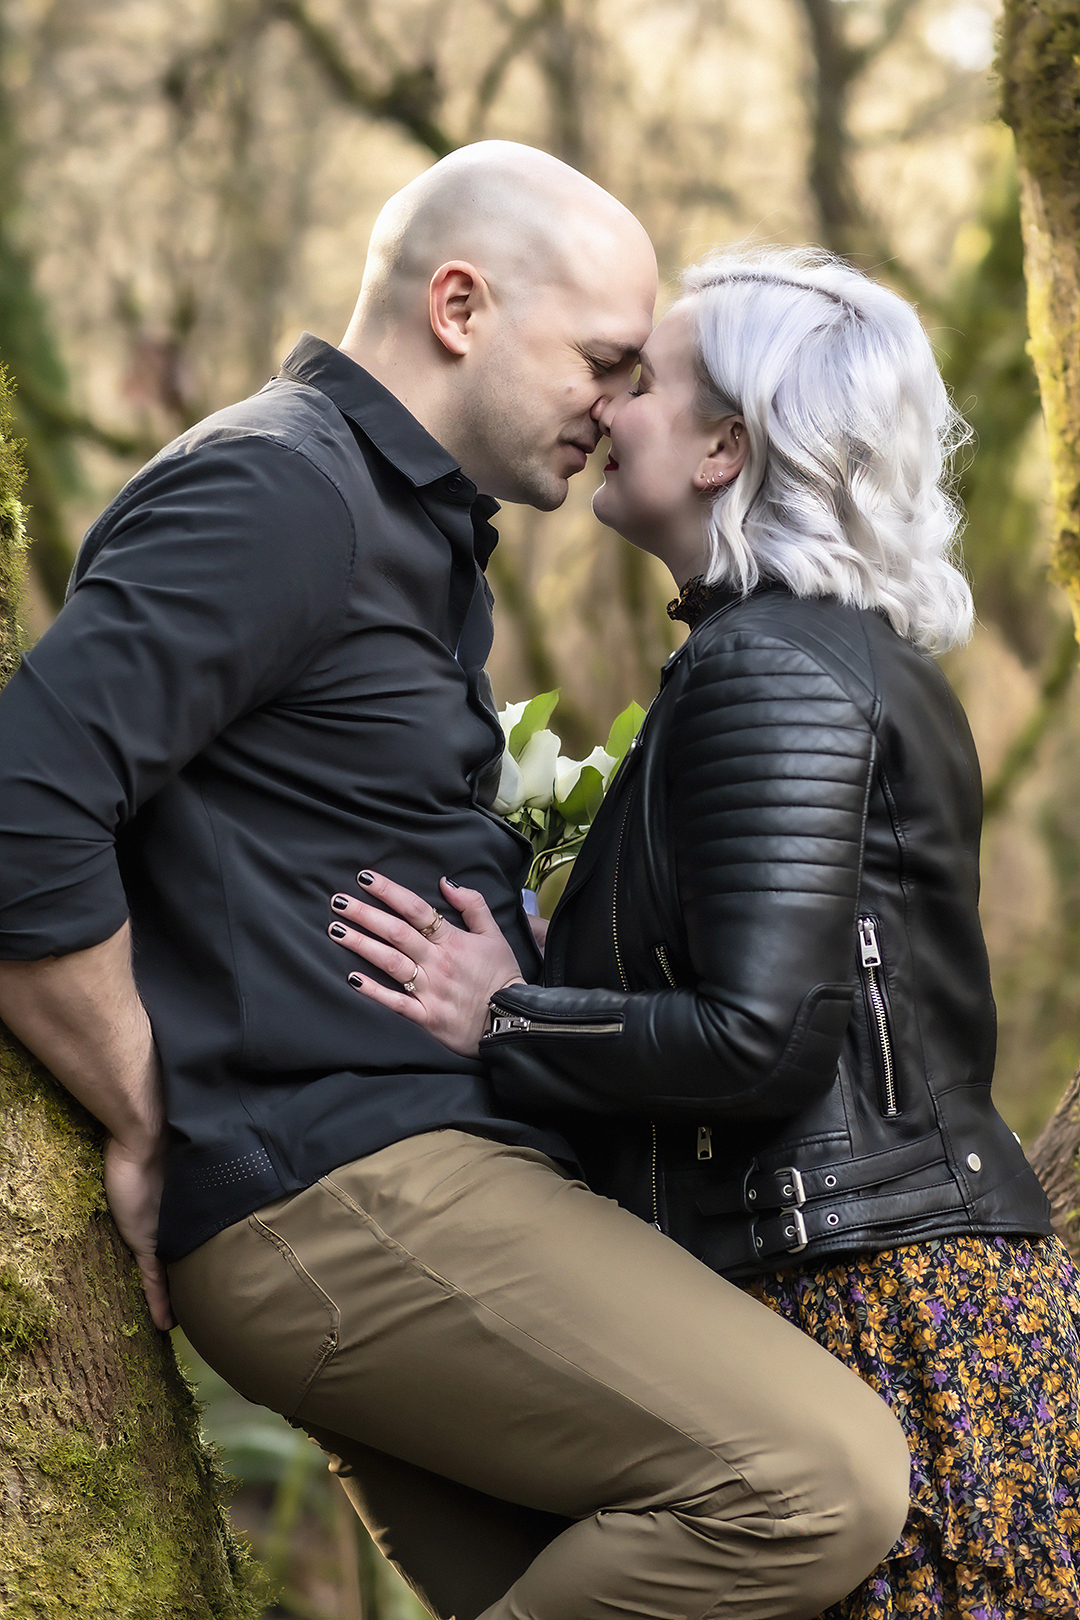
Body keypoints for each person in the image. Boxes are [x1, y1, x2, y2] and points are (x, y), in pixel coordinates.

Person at [0, 159, 909, 1620]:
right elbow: (25, 795)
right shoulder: (277, 489)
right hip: (341, 1188)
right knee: (819, 1478)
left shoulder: (409, 531)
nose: (618, 409)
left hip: (436, 1177)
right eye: (603, 362)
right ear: (460, 305)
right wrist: (138, 1105)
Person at [329, 245, 1080, 1620]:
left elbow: (766, 1041)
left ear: (728, 445)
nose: (608, 406)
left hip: (864, 1306)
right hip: (886, 1283)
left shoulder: (768, 668)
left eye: (644, 381)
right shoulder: (822, 653)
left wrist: (505, 1011)